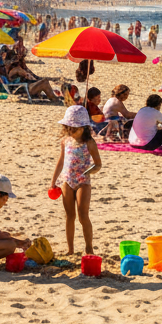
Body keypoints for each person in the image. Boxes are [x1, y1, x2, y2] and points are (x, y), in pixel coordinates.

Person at [50, 106, 103, 255]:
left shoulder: (89, 142)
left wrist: (88, 172)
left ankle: (89, 247)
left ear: (84, 127)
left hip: (83, 181)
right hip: (66, 180)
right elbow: (61, 162)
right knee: (69, 216)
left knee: (83, 214)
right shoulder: (65, 141)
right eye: (69, 128)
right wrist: (53, 181)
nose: (71, 131)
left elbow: (98, 164)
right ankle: (70, 249)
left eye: (74, 128)